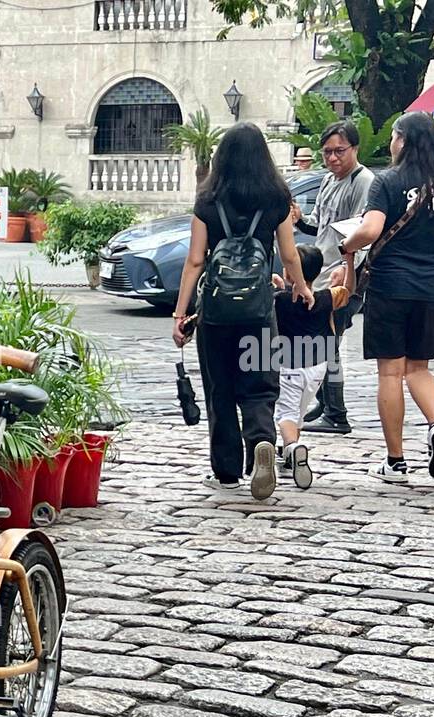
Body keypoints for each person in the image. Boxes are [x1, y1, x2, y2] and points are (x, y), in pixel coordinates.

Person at [173, 122, 314, 501]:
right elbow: (288, 254)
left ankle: (226, 472)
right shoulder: (275, 198)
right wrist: (301, 285)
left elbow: (194, 261)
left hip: (216, 314)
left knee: (219, 389)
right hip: (257, 311)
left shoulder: (208, 199)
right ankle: (262, 443)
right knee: (258, 387)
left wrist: (180, 314)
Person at [338, 111, 434, 482]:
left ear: (403, 140)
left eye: (394, 136)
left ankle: (395, 461)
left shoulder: (387, 181)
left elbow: (372, 230)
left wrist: (348, 243)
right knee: (419, 368)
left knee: (391, 372)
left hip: (392, 285)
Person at [295, 120, 376, 435]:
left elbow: (364, 232)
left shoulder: (363, 181)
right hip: (323, 272)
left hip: (346, 274)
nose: (332, 158)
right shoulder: (329, 180)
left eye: (339, 151)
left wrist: (349, 270)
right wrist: (301, 221)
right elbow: (322, 224)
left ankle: (337, 414)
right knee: (322, 340)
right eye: (327, 152)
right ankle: (328, 403)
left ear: (354, 148)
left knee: (328, 342)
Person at [270, 245, 351, 489]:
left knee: (285, 413)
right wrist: (347, 265)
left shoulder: (279, 300)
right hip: (319, 366)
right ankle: (288, 456)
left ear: (287, 270)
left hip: (288, 365)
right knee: (300, 410)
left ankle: (292, 448)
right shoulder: (327, 297)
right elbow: (348, 290)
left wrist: (277, 286)